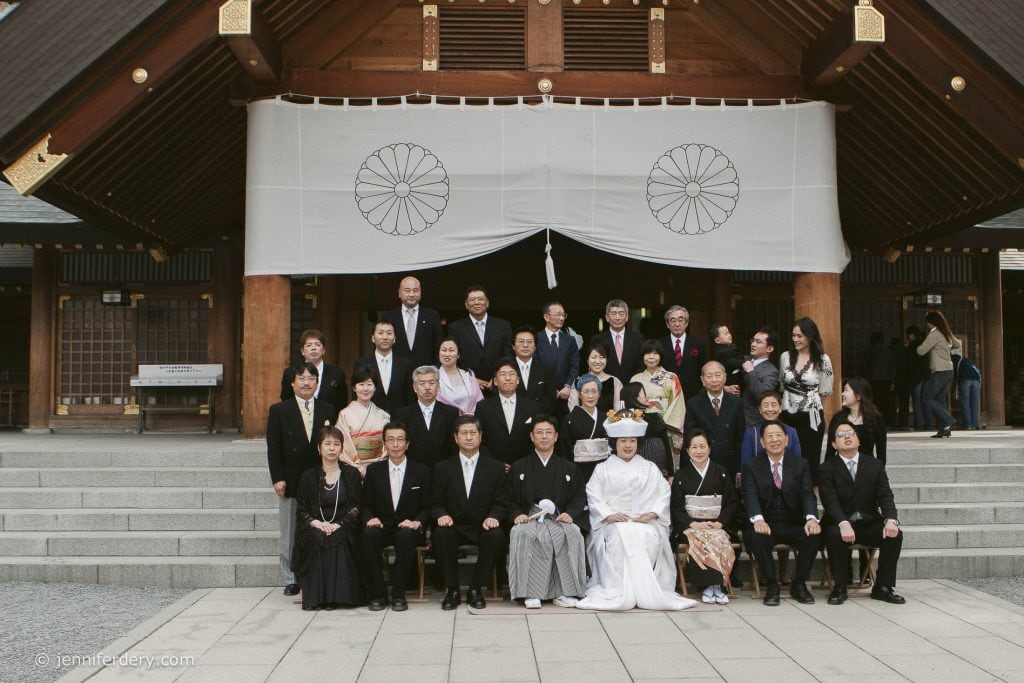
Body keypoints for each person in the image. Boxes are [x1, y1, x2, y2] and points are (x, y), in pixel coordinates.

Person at [576, 410, 697, 611]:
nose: (628, 445)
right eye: (623, 440)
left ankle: (643, 587)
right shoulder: (603, 469)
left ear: (637, 443)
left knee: (647, 536)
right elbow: (593, 494)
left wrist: (653, 513)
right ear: (615, 443)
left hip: (644, 520)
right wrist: (608, 515)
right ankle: (619, 587)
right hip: (613, 522)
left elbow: (663, 493)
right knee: (618, 538)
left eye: (632, 440)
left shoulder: (649, 467)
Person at [267, 362, 336, 596]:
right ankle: (290, 578)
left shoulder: (328, 409)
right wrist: (277, 478)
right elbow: (273, 448)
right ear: (292, 382)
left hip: (319, 476)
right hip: (291, 478)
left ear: (317, 383)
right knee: (289, 531)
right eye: (302, 378)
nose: (307, 383)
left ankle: (316, 573)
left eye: (311, 378)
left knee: (318, 527)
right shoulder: (279, 410)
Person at [431, 415, 512, 610]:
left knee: (497, 536)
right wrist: (441, 514)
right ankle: (453, 589)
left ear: (481, 436)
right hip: (454, 524)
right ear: (455, 438)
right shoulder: (442, 468)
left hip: (482, 523)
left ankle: (476, 588)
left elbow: (502, 502)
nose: (469, 437)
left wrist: (494, 516)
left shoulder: (495, 467)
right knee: (440, 534)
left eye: (473, 433)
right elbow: (434, 502)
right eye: (464, 433)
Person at [507, 416, 589, 608]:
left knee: (573, 533)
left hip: (559, 518)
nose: (544, 437)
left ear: (556, 436)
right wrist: (517, 514)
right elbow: (508, 498)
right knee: (520, 533)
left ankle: (565, 591)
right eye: (539, 433)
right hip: (530, 519)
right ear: (532, 437)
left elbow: (579, 497)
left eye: (548, 432)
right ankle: (528, 592)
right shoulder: (519, 467)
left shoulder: (568, 467)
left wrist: (571, 513)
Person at [820, 422, 905, 605]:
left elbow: (885, 495)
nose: (847, 437)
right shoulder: (827, 468)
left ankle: (883, 587)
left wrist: (891, 519)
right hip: (839, 522)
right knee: (834, 534)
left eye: (851, 433)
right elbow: (830, 501)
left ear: (858, 440)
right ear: (834, 444)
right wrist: (843, 523)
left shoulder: (874, 465)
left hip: (868, 521)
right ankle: (840, 587)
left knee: (893, 535)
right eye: (841, 435)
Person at [741, 419, 822, 606]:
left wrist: (811, 518)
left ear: (787, 440)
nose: (774, 440)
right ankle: (771, 584)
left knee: (814, 535)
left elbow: (807, 494)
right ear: (762, 442)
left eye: (779, 435)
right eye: (770, 436)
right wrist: (758, 519)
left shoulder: (800, 464)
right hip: (766, 522)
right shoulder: (752, 466)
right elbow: (750, 495)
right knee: (756, 536)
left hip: (792, 522)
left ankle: (799, 583)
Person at [291, 426, 365, 610]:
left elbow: (357, 507)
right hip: (315, 525)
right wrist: (318, 524)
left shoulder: (351, 474)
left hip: (345, 525)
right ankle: (318, 597)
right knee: (318, 538)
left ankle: (339, 596)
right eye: (327, 444)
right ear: (319, 448)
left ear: (342, 448)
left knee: (338, 538)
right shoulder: (308, 476)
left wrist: (339, 524)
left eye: (336, 444)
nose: (332, 448)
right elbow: (301, 509)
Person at [362, 421, 431, 612]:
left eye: (400, 440)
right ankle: (378, 593)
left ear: (407, 444)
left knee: (405, 536)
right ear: (384, 443)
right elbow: (366, 504)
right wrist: (369, 518)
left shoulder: (422, 471)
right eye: (390, 440)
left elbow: (427, 506)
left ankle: (399, 594)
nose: (395, 444)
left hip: (409, 527)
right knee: (369, 535)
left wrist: (417, 522)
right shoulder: (374, 471)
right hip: (383, 525)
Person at [670, 429, 738, 604]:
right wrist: (692, 523)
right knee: (700, 539)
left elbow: (731, 502)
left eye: (702, 446)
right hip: (692, 525)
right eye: (694, 447)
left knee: (718, 537)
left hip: (716, 524)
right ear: (687, 450)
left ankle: (719, 585)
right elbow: (676, 507)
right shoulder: (681, 476)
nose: (698, 451)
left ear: (709, 448)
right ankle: (708, 586)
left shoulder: (721, 472)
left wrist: (720, 523)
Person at [779, 317, 834, 484]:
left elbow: (825, 390)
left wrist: (815, 410)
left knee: (810, 459)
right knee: (787, 457)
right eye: (793, 335)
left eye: (800, 336)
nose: (795, 339)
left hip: (811, 415)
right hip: (787, 413)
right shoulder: (785, 357)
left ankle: (809, 501)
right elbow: (782, 384)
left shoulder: (823, 360)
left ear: (810, 336)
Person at [684, 361, 744, 483]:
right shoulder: (693, 404)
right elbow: (689, 437)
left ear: (725, 377)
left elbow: (741, 438)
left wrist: (740, 469)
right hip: (703, 463)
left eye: (718, 375)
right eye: (709, 376)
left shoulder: (737, 403)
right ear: (702, 380)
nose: (714, 380)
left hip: (730, 463)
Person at [476, 358, 542, 469]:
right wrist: (495, 465)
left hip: (525, 468)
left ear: (517, 380)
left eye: (512, 374)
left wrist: (522, 465)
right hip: (492, 468)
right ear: (495, 381)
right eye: (503, 374)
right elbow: (479, 439)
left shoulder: (533, 407)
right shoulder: (483, 407)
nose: (507, 378)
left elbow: (536, 439)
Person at [445, 285, 513, 393]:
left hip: (498, 385)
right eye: (472, 299)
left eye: (481, 299)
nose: (477, 302)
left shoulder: (503, 325)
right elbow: (452, 357)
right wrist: (469, 379)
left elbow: (508, 354)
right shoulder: (455, 328)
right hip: (467, 387)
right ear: (466, 305)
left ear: (488, 303)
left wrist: (498, 377)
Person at [392, 366, 458, 468]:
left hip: (443, 470)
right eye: (422, 383)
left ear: (438, 386)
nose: (427, 387)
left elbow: (454, 446)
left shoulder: (451, 412)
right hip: (413, 470)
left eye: (432, 383)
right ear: (414, 388)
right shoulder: (402, 415)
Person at [335, 364, 390, 477]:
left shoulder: (384, 415)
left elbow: (388, 444)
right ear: (354, 388)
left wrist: (377, 466)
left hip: (379, 469)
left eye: (369, 384)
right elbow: (342, 446)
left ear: (375, 387)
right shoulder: (344, 414)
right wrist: (358, 468)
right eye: (361, 384)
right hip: (353, 469)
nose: (365, 389)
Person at [280, 329, 346, 421]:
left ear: (323, 350)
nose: (313, 348)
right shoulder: (290, 373)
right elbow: (286, 399)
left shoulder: (337, 373)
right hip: (298, 422)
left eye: (317, 345)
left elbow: (341, 402)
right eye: (309, 345)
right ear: (302, 351)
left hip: (328, 425)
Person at [916, 310, 962, 438]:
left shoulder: (934, 333)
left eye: (928, 323)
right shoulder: (946, 331)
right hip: (949, 370)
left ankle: (948, 419)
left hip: (940, 371)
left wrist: (931, 347)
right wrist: (944, 349)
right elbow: (957, 344)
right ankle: (944, 430)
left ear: (931, 322)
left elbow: (921, 351)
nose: (927, 325)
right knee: (940, 400)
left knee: (927, 398)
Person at [381, 276, 443, 368]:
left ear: (421, 293)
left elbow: (438, 346)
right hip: (397, 371)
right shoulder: (388, 317)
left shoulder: (432, 316)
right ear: (399, 293)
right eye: (407, 290)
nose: (411, 294)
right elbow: (382, 346)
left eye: (415, 290)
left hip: (425, 374)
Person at [354, 319, 412, 414]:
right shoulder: (362, 363)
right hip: (371, 419)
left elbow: (410, 395)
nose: (385, 337)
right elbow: (356, 394)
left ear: (394, 339)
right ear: (373, 338)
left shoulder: (405, 364)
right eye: (380, 333)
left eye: (389, 333)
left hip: (399, 420)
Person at [559, 374, 610, 482]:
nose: (590, 396)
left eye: (594, 391)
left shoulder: (605, 418)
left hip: (603, 471)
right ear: (579, 394)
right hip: (579, 471)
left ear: (599, 394)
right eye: (586, 391)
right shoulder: (570, 419)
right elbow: (564, 449)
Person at [631, 339, 686, 439]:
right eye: (647, 353)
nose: (651, 357)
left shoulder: (671, 377)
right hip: (642, 426)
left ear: (661, 356)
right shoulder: (635, 378)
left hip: (666, 425)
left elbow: (677, 404)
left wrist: (662, 423)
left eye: (655, 353)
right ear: (642, 356)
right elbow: (630, 403)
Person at [824, 377, 887, 464]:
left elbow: (881, 454)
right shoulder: (838, 418)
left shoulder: (876, 418)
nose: (842, 394)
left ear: (858, 396)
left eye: (846, 390)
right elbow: (829, 453)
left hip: (867, 469)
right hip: (842, 470)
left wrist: (878, 474)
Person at [739, 391, 801, 475]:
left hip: (787, 481)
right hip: (759, 481)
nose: (770, 409)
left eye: (773, 405)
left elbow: (797, 462)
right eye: (765, 405)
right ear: (760, 410)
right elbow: (745, 465)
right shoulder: (751, 433)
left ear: (780, 408)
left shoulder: (791, 432)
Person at [534, 301, 579, 416]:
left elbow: (574, 365)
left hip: (565, 396)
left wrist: (568, 386)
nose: (562, 318)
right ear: (546, 317)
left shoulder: (570, 340)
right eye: (558, 314)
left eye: (563, 315)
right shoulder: (536, 339)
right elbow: (534, 365)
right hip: (542, 395)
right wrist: (548, 389)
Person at [620, 381, 672, 478]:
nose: (647, 398)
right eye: (643, 394)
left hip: (660, 471)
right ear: (634, 398)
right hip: (635, 473)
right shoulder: (624, 419)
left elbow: (667, 446)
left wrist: (671, 473)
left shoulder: (655, 416)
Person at [589, 299, 644, 384]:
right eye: (613, 314)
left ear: (627, 317)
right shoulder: (597, 339)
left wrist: (635, 382)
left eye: (621, 314)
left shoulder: (638, 338)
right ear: (607, 317)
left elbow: (642, 364)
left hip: (632, 387)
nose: (617, 318)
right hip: (605, 386)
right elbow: (593, 364)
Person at [659, 305, 706, 401]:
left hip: (692, 395)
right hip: (667, 395)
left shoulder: (697, 344)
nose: (677, 324)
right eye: (672, 320)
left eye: (680, 320)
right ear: (667, 324)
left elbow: (702, 369)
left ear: (686, 323)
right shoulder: (659, 344)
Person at [567, 341, 622, 414]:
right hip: (583, 424)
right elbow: (573, 410)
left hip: (609, 424)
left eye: (602, 357)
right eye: (594, 357)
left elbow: (618, 411)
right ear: (587, 360)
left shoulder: (614, 381)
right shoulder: (578, 382)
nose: (598, 361)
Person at [512, 325, 557, 414]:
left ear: (535, 346)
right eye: (521, 341)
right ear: (513, 346)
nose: (525, 345)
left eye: (529, 342)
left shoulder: (546, 371)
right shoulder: (504, 369)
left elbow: (550, 401)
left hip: (538, 420)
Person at [436, 336, 485, 415]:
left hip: (472, 421)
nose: (447, 354)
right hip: (448, 421)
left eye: (451, 350)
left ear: (458, 354)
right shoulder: (434, 378)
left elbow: (479, 401)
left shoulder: (469, 374)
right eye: (444, 350)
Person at [742, 327, 780, 428]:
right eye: (753, 340)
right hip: (733, 417)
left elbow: (763, 394)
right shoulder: (743, 359)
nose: (753, 344)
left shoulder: (771, 371)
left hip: (751, 420)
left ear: (769, 349)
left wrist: (750, 372)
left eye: (758, 342)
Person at [865, 331, 895, 428]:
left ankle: (874, 422)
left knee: (874, 402)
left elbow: (865, 366)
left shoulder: (869, 351)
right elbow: (892, 367)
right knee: (886, 403)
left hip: (873, 380)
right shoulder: (888, 351)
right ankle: (886, 423)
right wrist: (892, 381)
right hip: (885, 380)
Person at [906, 325, 931, 431]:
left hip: (916, 376)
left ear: (911, 335)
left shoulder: (912, 346)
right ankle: (928, 424)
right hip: (927, 375)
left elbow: (909, 362)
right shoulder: (925, 344)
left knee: (916, 401)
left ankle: (918, 424)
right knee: (926, 400)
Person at [709, 324, 745, 394]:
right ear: (717, 340)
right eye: (726, 334)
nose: (729, 335)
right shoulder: (721, 352)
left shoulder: (732, 347)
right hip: (730, 380)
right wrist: (742, 363)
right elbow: (729, 362)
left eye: (729, 332)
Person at [955, 353, 982, 430]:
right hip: (976, 381)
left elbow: (956, 376)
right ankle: (974, 424)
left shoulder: (957, 363)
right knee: (975, 404)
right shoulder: (968, 361)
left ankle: (968, 425)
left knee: (965, 403)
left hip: (965, 381)